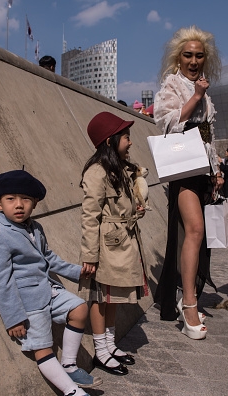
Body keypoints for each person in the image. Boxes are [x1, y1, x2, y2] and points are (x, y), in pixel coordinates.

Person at [0, 170, 100, 396]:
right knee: (43, 349)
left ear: (34, 204)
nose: (19, 205)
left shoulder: (35, 228)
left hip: (48, 291)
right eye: (11, 199)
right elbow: (0, 282)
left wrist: (78, 273)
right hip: (26, 304)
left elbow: (49, 258)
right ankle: (72, 392)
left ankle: (69, 365)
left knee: (79, 309)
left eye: (26, 199)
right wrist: (13, 317)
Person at [153, 25, 223, 340]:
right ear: (178, 58)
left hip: (202, 170)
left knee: (195, 236)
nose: (193, 61)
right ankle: (189, 304)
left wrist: (216, 168)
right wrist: (195, 96)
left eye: (199, 55)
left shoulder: (205, 89)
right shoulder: (173, 84)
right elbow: (166, 123)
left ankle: (183, 295)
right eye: (188, 55)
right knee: (194, 230)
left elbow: (209, 135)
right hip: (183, 170)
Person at [79, 112, 148, 375]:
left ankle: (109, 344)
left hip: (121, 241)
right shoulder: (97, 172)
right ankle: (100, 351)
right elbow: (89, 215)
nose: (130, 142)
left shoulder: (119, 168)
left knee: (114, 296)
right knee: (100, 298)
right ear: (110, 141)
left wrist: (136, 208)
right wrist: (90, 255)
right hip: (105, 246)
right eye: (126, 137)